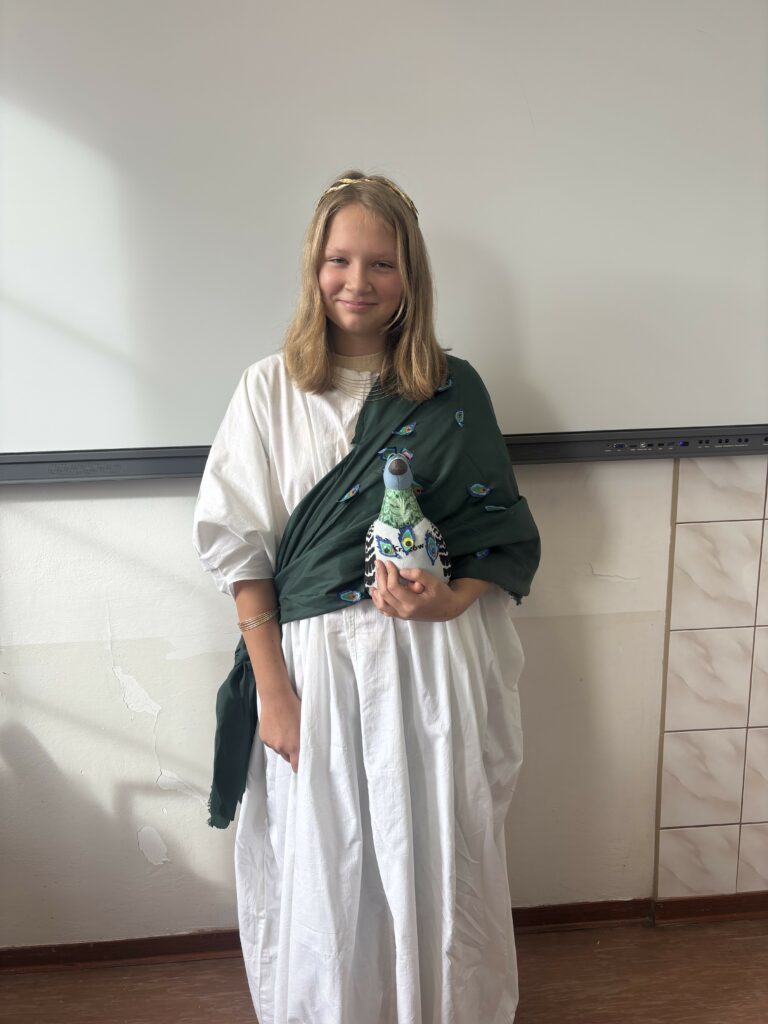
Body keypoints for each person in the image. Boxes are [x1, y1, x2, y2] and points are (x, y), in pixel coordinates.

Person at [192, 170, 541, 1024]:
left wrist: (446, 602)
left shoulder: (453, 390)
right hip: (317, 673)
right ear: (314, 268)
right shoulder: (269, 389)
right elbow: (241, 553)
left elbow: (499, 537)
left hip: (431, 666)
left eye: (381, 263)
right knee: (332, 862)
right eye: (339, 260)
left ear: (409, 275)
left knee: (435, 853)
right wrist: (274, 694)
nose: (358, 281)